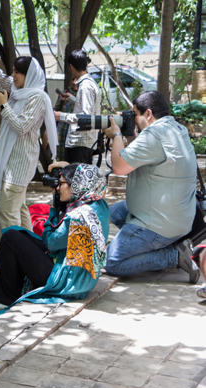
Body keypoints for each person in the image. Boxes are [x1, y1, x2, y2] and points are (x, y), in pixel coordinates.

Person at [0, 163, 110, 315]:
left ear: (76, 185)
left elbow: (50, 242)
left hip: (65, 282)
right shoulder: (99, 204)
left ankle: (4, 299)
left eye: (61, 184)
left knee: (10, 238)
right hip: (82, 280)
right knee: (20, 234)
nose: (57, 188)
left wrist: (55, 209)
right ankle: (12, 290)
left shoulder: (78, 217)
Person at [102, 90, 199, 282]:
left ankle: (175, 256)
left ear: (148, 114)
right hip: (178, 217)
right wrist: (129, 132)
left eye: (135, 115)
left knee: (112, 261)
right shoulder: (175, 128)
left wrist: (117, 135)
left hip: (160, 224)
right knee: (115, 212)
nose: (133, 119)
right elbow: (141, 153)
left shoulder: (154, 134)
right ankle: (158, 248)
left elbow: (120, 167)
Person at [0, 56, 58, 236]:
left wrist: (3, 105)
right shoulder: (19, 89)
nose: (13, 75)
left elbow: (21, 127)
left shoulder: (37, 98)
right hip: (11, 162)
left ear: (29, 75)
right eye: (13, 71)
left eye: (17, 72)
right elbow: (2, 78)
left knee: (7, 215)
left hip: (19, 164)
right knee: (19, 209)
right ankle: (30, 248)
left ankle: (9, 252)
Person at [54, 50, 102, 165]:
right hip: (84, 142)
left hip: (81, 144)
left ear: (71, 66)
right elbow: (87, 109)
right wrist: (71, 99)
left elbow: (86, 117)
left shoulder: (85, 86)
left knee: (76, 175)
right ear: (86, 64)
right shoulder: (90, 83)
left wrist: (61, 116)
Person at [54, 78, 78, 162]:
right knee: (61, 159)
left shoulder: (83, 94)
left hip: (76, 134)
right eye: (72, 80)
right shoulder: (65, 93)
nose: (74, 82)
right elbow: (55, 110)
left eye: (77, 80)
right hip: (63, 132)